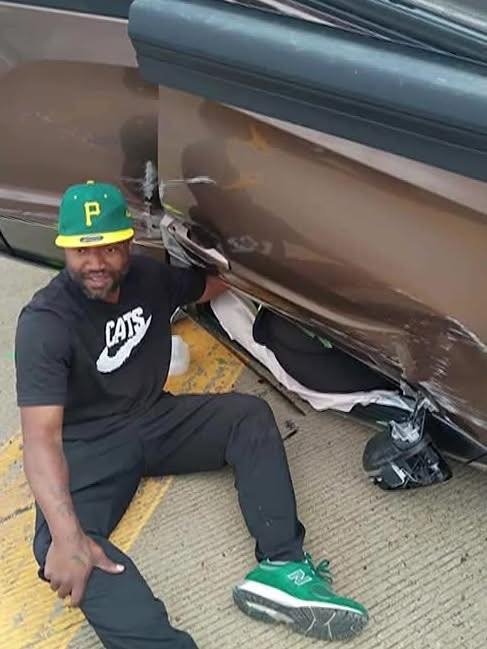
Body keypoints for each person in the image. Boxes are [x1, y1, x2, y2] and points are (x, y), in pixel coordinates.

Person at [15, 181, 368, 648]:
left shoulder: (149, 277)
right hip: (91, 445)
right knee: (62, 546)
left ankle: (282, 568)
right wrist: (66, 535)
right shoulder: (45, 323)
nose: (95, 262)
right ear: (64, 248)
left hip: (155, 418)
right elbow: (41, 438)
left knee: (247, 416)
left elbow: (211, 284)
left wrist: (270, 262)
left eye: (107, 247)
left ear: (128, 241)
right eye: (82, 250)